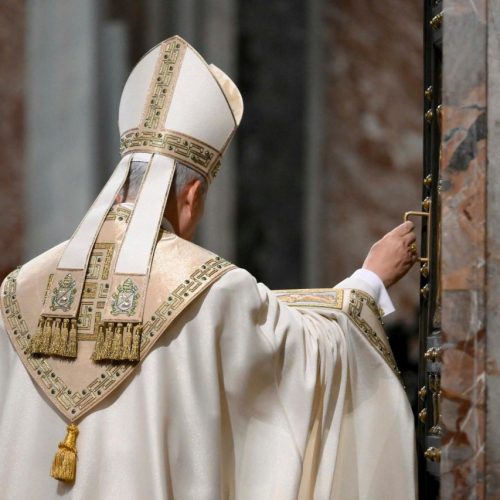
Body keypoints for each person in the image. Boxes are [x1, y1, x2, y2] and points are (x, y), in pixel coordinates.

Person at [0, 35, 417, 499]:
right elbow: (307, 359)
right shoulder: (214, 289)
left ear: (121, 183)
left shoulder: (19, 287)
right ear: (193, 195)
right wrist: (369, 281)